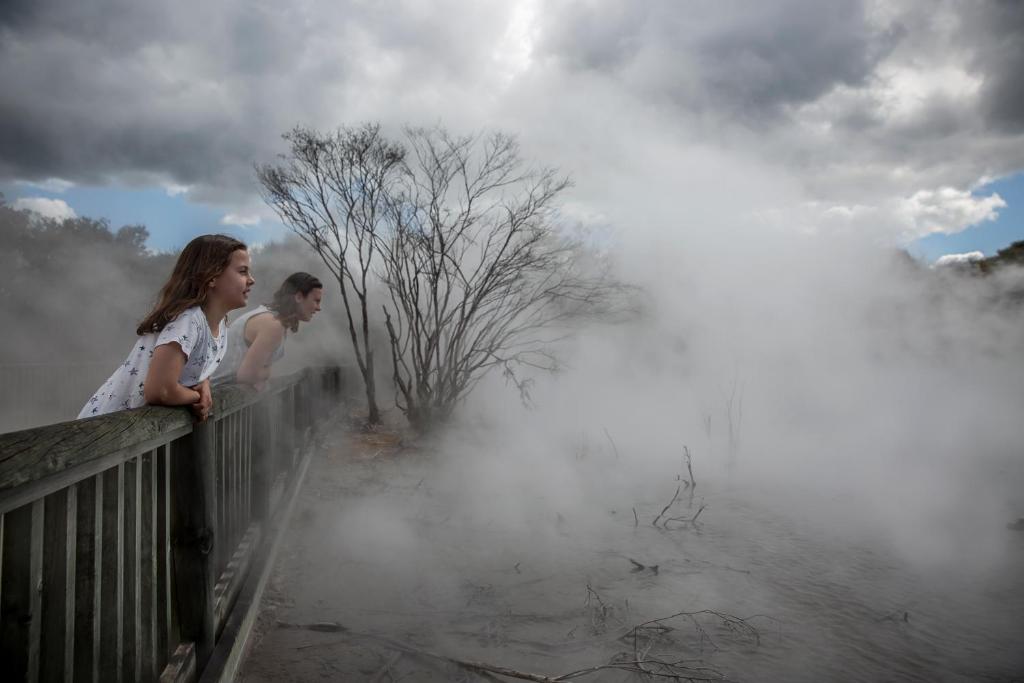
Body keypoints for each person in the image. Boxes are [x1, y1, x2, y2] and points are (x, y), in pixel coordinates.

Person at [78, 234, 254, 421]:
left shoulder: (220, 326)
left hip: (138, 429)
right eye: (242, 271)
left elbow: (196, 367)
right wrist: (197, 397)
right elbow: (160, 390)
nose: (251, 280)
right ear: (212, 277)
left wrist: (204, 383)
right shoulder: (188, 321)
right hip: (107, 426)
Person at [212, 272, 323, 390]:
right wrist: (267, 372)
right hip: (215, 393)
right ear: (299, 297)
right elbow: (247, 375)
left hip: (221, 391)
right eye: (316, 301)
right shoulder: (273, 325)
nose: (319, 308)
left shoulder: (272, 318)